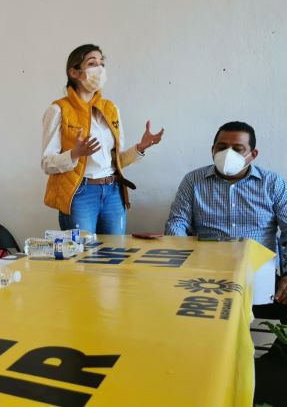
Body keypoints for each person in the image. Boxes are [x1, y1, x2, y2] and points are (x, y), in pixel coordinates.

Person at [165, 121, 287, 322]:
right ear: (213, 150)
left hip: (258, 275)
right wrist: (181, 261)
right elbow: (177, 222)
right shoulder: (193, 181)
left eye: (238, 149)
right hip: (206, 273)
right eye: (222, 147)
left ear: (253, 154)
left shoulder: (272, 183)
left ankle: (274, 347)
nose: (228, 153)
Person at [42, 44, 164, 234]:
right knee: (83, 252)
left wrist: (140, 147)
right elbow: (47, 164)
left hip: (113, 192)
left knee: (115, 251)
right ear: (74, 72)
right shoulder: (58, 110)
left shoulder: (111, 109)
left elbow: (117, 161)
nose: (99, 69)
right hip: (80, 193)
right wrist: (75, 154)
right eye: (92, 63)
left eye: (102, 64)